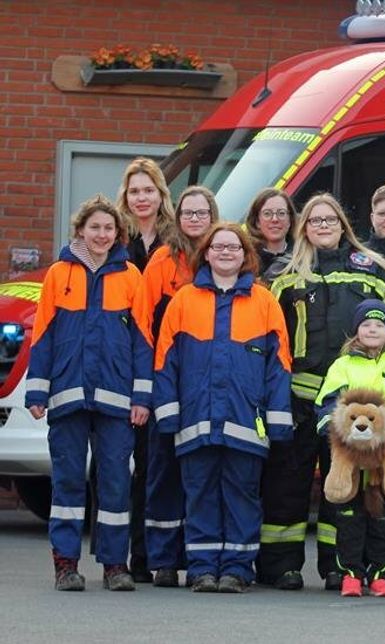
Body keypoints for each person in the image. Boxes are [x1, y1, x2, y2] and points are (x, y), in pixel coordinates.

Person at [257, 193, 385, 591]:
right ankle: (281, 566)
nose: (322, 226)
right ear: (303, 227)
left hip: (353, 405)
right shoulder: (284, 274)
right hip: (299, 398)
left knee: (345, 485)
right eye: (315, 220)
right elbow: (271, 339)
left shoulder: (373, 271)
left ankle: (340, 566)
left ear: (343, 225)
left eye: (330, 219)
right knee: (287, 483)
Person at [153, 223, 293, 593]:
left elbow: (279, 367)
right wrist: (167, 413)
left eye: (233, 247)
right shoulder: (184, 300)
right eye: (218, 247)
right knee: (199, 494)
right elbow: (165, 362)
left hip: (247, 421)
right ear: (207, 253)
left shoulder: (265, 302)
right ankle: (201, 569)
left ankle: (236, 569)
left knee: (241, 496)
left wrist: (278, 421)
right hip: (195, 420)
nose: (226, 252)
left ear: (246, 254)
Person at [25, 195, 151, 591]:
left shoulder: (131, 276)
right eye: (94, 227)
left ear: (118, 234)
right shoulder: (58, 274)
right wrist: (36, 391)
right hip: (66, 395)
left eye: (108, 228)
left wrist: (141, 398)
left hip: (116, 399)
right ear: (81, 230)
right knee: (67, 484)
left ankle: (115, 565)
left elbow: (143, 341)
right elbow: (43, 335)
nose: (101, 234)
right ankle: (66, 564)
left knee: (115, 482)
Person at [132, 186, 220, 588]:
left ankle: (199, 557)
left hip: (210, 387)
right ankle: (161, 559)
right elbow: (143, 327)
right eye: (188, 212)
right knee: (163, 471)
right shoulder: (162, 261)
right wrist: (149, 387)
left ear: (213, 215)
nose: (195, 219)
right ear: (178, 216)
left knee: (203, 475)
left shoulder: (224, 255)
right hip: (167, 384)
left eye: (203, 213)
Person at [315, 300, 385, 598]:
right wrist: (343, 433)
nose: (372, 329)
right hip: (350, 458)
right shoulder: (342, 366)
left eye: (379, 325)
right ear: (355, 331)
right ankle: (350, 574)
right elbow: (326, 406)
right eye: (366, 325)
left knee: (384, 521)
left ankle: (379, 574)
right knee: (348, 520)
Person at [111, 157, 176, 583]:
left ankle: (153, 555)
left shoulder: (177, 242)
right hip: (121, 366)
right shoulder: (114, 241)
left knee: (157, 466)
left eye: (148, 190)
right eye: (134, 191)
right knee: (120, 467)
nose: (141, 198)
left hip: (164, 364)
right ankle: (123, 557)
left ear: (160, 195)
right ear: (126, 196)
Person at [244, 188, 295, 277]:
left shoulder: (305, 254)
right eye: (267, 214)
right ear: (257, 222)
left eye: (281, 213)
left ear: (290, 220)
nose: (275, 219)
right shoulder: (246, 262)